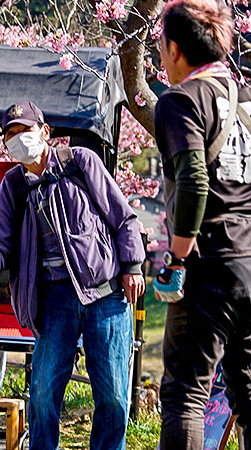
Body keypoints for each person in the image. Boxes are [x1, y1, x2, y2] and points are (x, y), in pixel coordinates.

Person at [0, 101, 145, 450]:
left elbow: (123, 218)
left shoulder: (79, 162)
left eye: (25, 131)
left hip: (104, 293)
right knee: (44, 393)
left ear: (45, 132)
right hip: (54, 299)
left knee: (112, 395)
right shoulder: (13, 185)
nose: (18, 140)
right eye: (10, 135)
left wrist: (133, 266)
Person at [154, 1, 251, 447]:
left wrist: (177, 256)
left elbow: (193, 180)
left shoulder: (180, 101)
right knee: (247, 390)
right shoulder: (244, 101)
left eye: (159, 45)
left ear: (176, 48)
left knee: (184, 395)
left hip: (208, 263)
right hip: (248, 262)